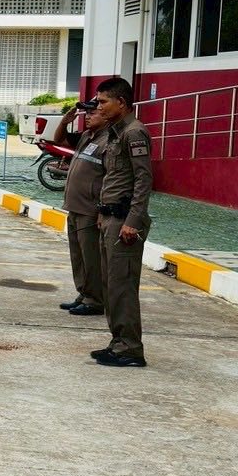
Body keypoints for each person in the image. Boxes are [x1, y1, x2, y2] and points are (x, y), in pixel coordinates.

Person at [91, 76, 154, 369]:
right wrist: (102, 214)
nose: (99, 107)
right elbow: (113, 178)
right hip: (110, 217)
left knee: (123, 286)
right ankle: (118, 342)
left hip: (124, 221)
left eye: (103, 101)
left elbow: (143, 179)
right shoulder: (116, 132)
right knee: (110, 285)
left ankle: (130, 349)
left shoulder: (134, 132)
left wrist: (133, 220)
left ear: (121, 102)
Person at [54, 98, 108, 318]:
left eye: (93, 113)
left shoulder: (108, 141)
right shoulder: (87, 136)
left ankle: (95, 300)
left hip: (90, 209)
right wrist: (64, 121)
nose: (88, 117)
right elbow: (58, 140)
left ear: (106, 115)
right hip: (75, 207)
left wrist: (102, 210)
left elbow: (110, 179)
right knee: (78, 256)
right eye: (87, 114)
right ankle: (84, 293)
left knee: (91, 257)